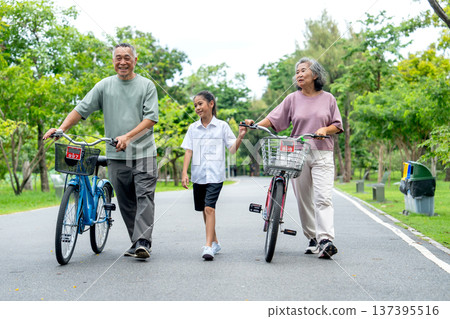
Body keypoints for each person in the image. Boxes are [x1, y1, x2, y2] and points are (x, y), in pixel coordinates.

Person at [43, 43, 158, 260]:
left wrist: (127, 136)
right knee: (125, 200)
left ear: (135, 60)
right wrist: (61, 129)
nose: (122, 62)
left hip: (144, 153)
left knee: (144, 196)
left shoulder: (146, 86)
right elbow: (81, 109)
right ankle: (137, 241)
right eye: (118, 58)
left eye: (126, 57)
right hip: (115, 155)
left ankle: (143, 241)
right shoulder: (104, 86)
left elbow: (150, 118)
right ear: (113, 61)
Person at [245, 57, 343, 259]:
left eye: (303, 70)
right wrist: (254, 124)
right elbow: (273, 120)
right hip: (298, 154)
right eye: (297, 71)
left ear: (315, 74)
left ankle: (325, 239)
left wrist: (325, 128)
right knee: (304, 199)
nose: (298, 74)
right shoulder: (292, 99)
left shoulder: (328, 98)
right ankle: (313, 238)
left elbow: (337, 125)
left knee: (323, 197)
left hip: (322, 152)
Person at [181, 91, 247, 260]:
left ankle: (208, 246)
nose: (197, 108)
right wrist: (184, 173)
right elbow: (189, 151)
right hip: (198, 175)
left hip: (215, 176)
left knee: (209, 208)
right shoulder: (193, 128)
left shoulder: (222, 126)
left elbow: (232, 148)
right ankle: (215, 242)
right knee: (204, 209)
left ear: (211, 104)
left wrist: (240, 137)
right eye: (195, 105)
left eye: (200, 104)